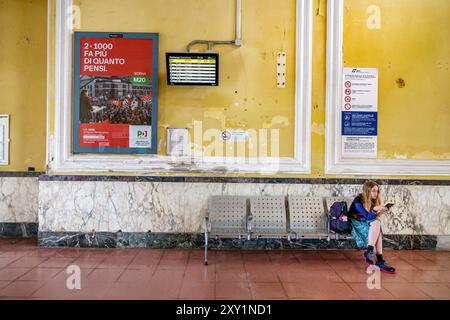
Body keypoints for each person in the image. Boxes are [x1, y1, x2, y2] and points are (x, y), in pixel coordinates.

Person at [348, 180, 396, 274]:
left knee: (377, 223)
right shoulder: (358, 200)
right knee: (377, 227)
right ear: (367, 191)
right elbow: (367, 216)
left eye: (377, 191)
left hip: (365, 222)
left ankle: (370, 252)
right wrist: (374, 210)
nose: (376, 193)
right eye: (373, 191)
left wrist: (381, 211)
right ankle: (380, 260)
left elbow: (373, 218)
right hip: (355, 223)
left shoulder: (374, 200)